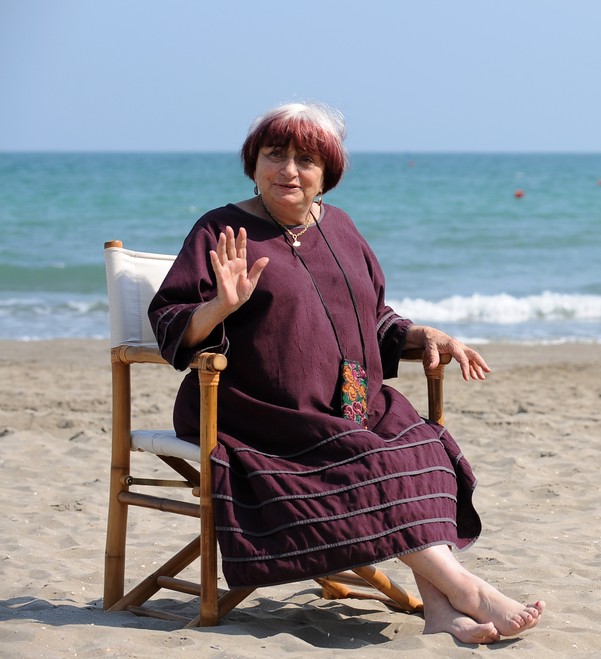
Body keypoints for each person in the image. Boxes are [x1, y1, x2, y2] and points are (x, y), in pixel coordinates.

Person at [149, 102, 544, 643]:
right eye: (275, 155)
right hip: (257, 411)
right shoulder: (219, 229)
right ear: (253, 163)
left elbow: (372, 317)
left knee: (421, 446)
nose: (288, 170)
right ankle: (469, 590)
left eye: (305, 160)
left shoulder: (341, 227)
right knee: (371, 459)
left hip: (351, 398)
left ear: (326, 173)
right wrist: (220, 306)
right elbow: (169, 321)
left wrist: (425, 335)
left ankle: (440, 612)